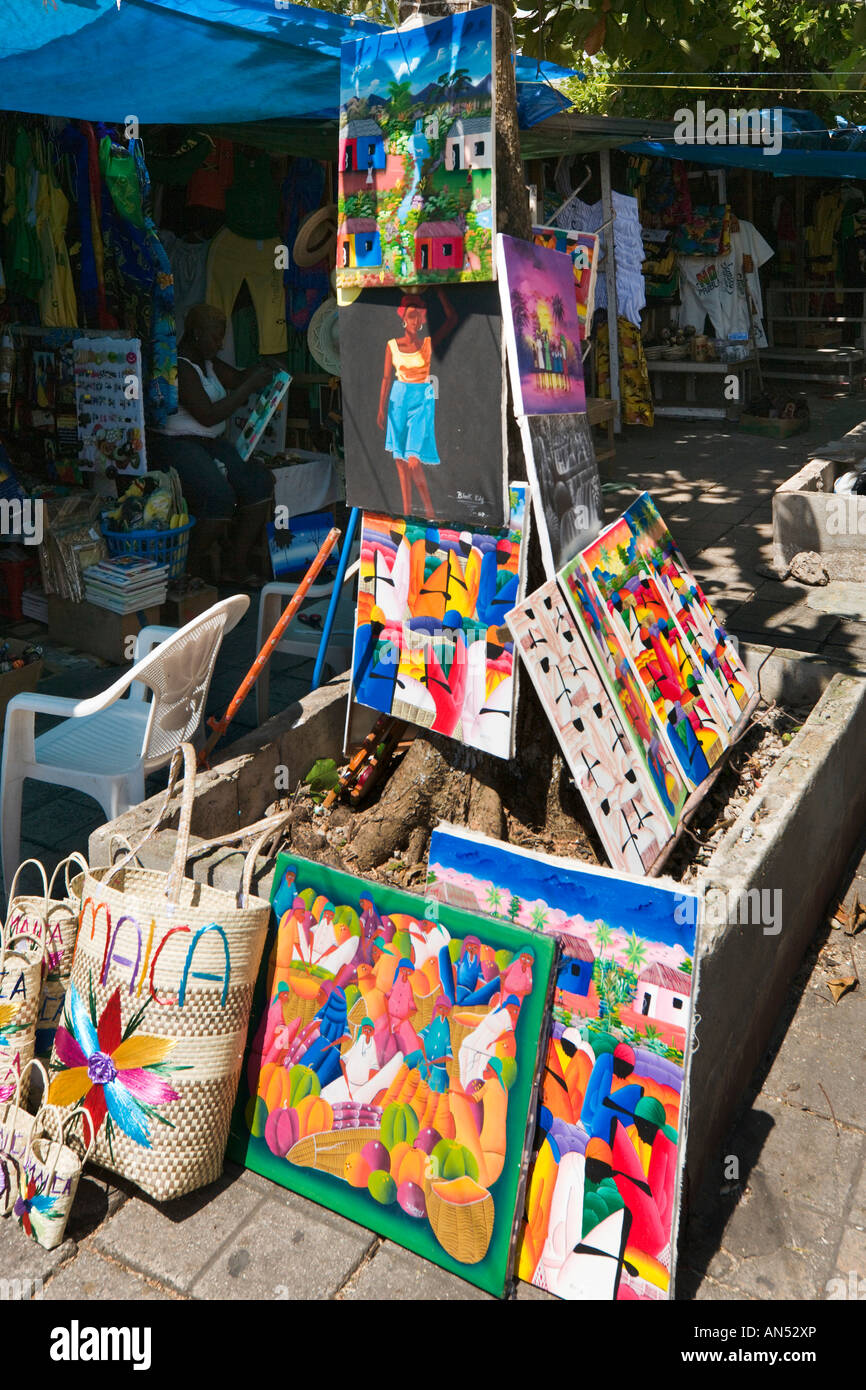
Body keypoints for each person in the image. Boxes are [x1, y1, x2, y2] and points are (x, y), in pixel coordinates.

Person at [148, 303, 275, 582]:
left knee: (259, 481)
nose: (219, 345)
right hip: (175, 445)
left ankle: (235, 564)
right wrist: (247, 387)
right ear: (196, 335)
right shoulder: (179, 366)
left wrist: (262, 372)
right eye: (215, 338)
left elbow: (238, 378)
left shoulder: (209, 363)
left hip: (208, 443)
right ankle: (186, 572)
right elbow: (207, 415)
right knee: (218, 495)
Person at [376, 290, 457, 519]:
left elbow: (452, 319)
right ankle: (407, 513)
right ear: (403, 317)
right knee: (400, 462)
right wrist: (381, 408)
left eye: (419, 316)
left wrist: (440, 291)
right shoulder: (392, 345)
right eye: (412, 315)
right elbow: (386, 378)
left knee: (413, 461)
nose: (416, 320)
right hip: (398, 400)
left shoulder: (428, 344)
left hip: (422, 400)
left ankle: (430, 512)